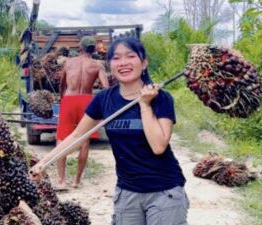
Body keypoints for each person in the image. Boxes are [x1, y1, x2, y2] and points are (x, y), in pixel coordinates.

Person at [31, 37, 189, 225]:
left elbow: (158, 146)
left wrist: (145, 105)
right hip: (127, 193)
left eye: (130, 56)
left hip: (164, 191)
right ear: (109, 64)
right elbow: (76, 136)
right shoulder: (104, 99)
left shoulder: (161, 98)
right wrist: (43, 163)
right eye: (116, 58)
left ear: (144, 62)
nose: (123, 63)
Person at [56, 36, 109, 189]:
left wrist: (62, 99)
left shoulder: (69, 62)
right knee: (84, 140)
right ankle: (76, 181)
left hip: (69, 99)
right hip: (87, 101)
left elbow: (61, 85)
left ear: (80, 47)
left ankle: (61, 180)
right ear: (93, 49)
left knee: (61, 138)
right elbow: (105, 88)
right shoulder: (97, 65)